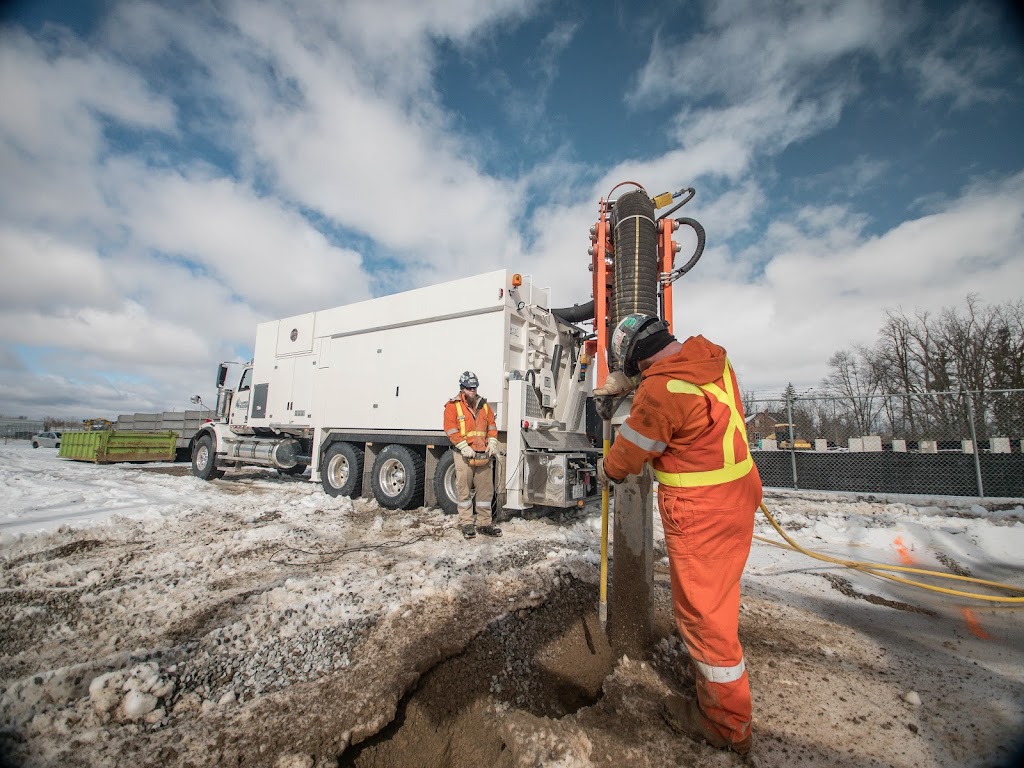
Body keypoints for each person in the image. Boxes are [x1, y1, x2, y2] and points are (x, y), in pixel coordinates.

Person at [595, 313, 762, 755]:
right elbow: (674, 376)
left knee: (703, 615)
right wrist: (631, 383)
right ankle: (721, 697)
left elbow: (630, 454)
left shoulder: (660, 392)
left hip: (702, 511)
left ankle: (726, 723)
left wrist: (608, 466)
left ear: (634, 360)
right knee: (720, 599)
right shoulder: (711, 359)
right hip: (738, 492)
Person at [443, 371, 502, 539]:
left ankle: (485, 523)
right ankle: (467, 523)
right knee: (464, 490)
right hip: (464, 456)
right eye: (469, 388)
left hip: (483, 455)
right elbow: (450, 430)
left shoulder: (484, 405)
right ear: (462, 389)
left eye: (475, 388)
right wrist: (464, 447)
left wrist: (492, 443)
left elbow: (491, 426)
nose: (473, 391)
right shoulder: (452, 406)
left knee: (485, 492)